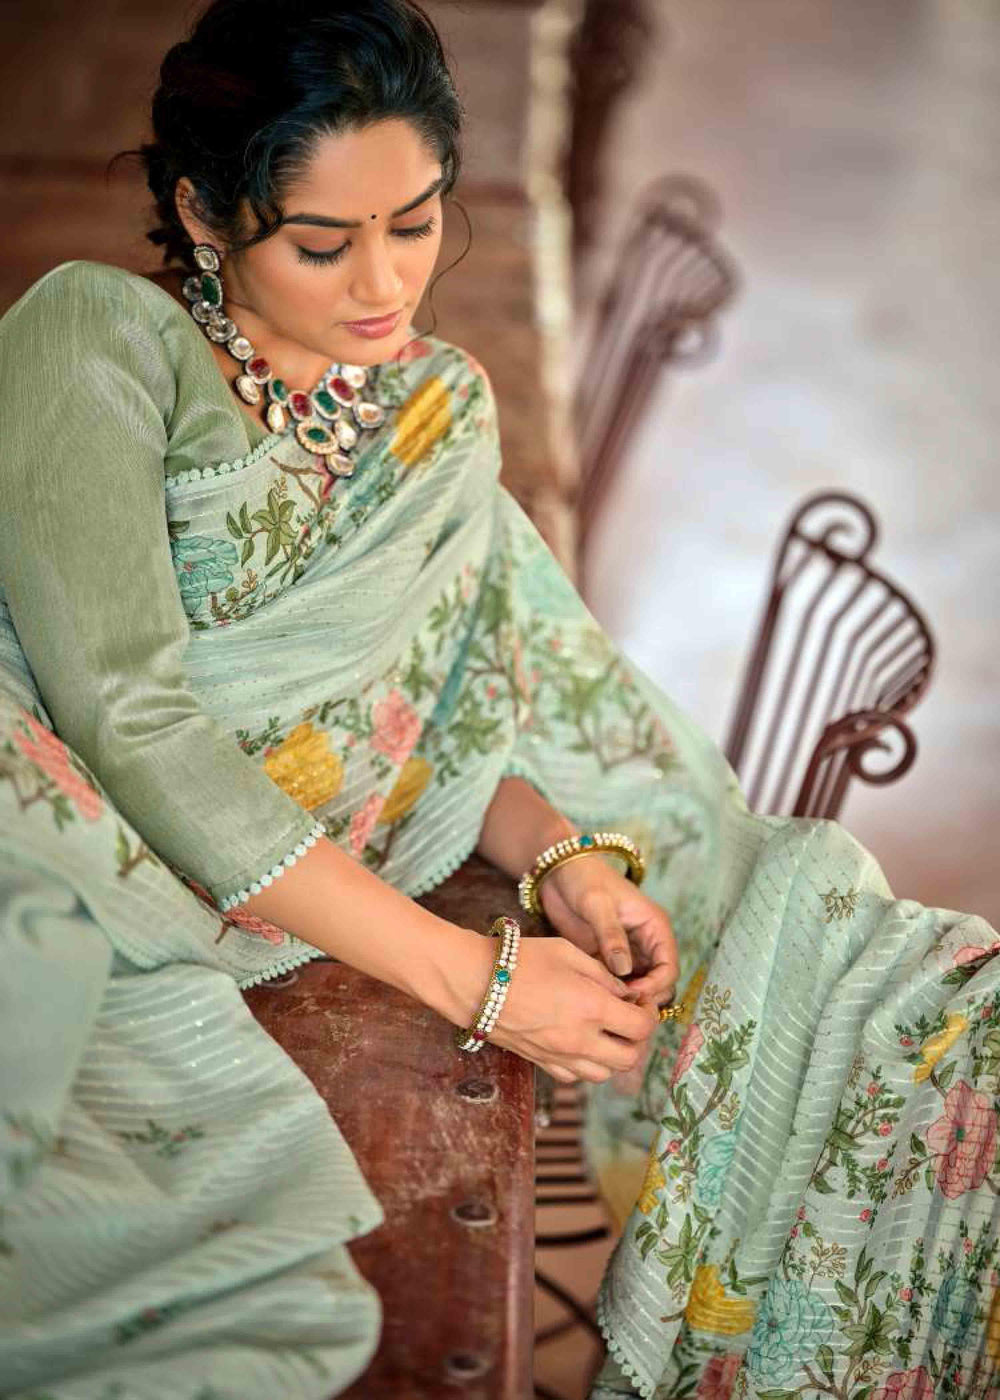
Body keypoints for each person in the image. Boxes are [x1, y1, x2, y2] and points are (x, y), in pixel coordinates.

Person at [0, 2, 996, 1397]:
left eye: (415, 222)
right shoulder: (98, 342)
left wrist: (570, 859)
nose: (384, 286)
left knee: (928, 1030)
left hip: (317, 894)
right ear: (205, 212)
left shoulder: (431, 414)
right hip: (62, 842)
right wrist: (475, 977)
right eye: (321, 241)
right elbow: (132, 720)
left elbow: (443, 725)